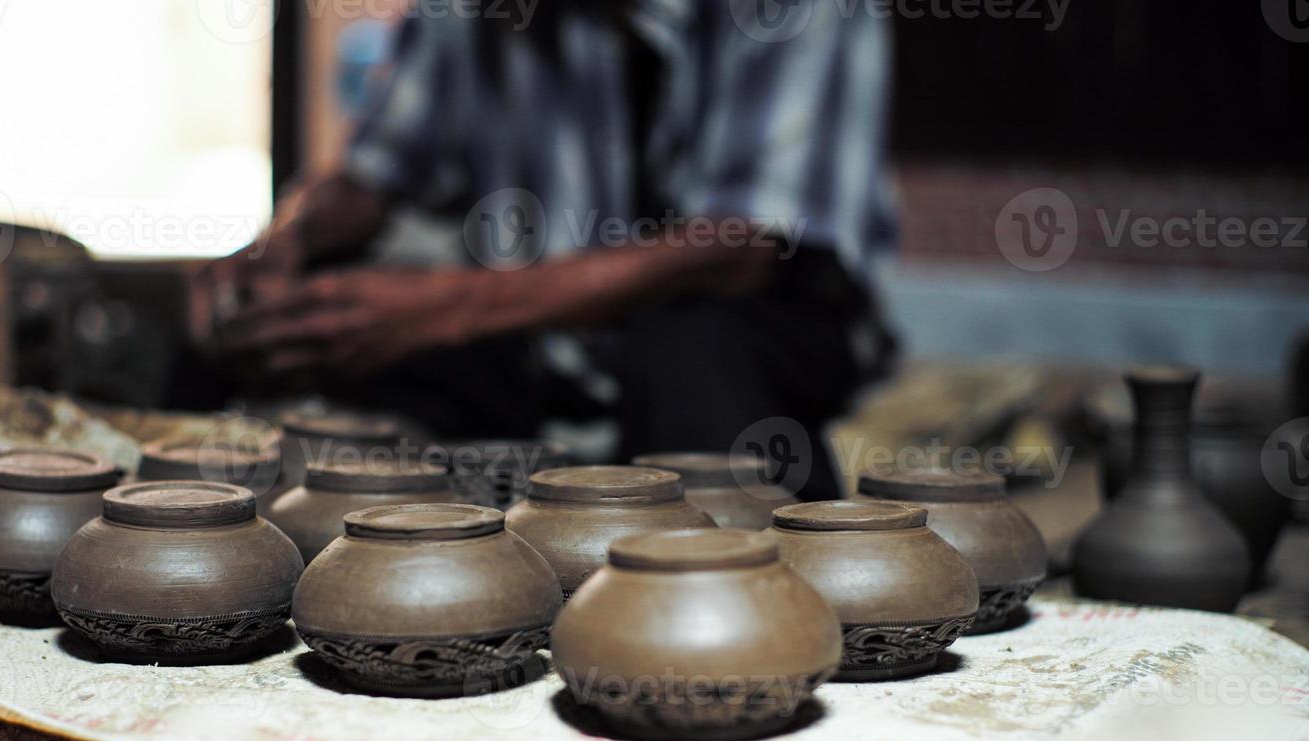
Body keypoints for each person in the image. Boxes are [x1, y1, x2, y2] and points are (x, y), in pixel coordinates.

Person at [199, 0, 896, 499]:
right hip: (540, 331)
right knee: (288, 322)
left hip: (750, 316)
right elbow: (375, 170)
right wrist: (285, 239)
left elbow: (740, 246)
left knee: (693, 350)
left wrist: (447, 306)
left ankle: (736, 601)